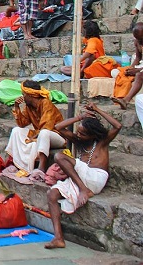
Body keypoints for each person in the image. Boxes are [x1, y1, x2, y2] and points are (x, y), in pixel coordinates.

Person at [45, 102, 121, 249]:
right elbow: (58, 127)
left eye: (83, 133)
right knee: (51, 194)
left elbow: (117, 126)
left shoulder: (102, 143)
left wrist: (98, 109)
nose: (79, 135)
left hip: (95, 179)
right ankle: (58, 238)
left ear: (93, 135)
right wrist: (80, 117)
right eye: (78, 132)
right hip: (81, 180)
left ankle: (83, 191)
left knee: (59, 157)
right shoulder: (77, 140)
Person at [5, 81, 65, 173]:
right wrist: (17, 107)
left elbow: (46, 127)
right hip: (39, 133)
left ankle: (41, 168)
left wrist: (31, 139)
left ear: (30, 95)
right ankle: (16, 164)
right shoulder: (29, 106)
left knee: (44, 133)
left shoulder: (46, 103)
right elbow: (22, 124)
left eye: (23, 94)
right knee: (16, 130)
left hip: (56, 135)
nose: (22, 97)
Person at [113, 22, 143, 109]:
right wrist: (130, 69)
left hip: (141, 70)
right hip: (140, 65)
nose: (140, 41)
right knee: (116, 72)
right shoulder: (137, 41)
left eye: (141, 38)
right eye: (138, 39)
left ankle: (125, 100)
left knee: (139, 75)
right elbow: (138, 58)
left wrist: (136, 71)